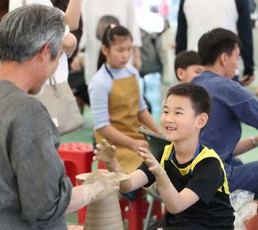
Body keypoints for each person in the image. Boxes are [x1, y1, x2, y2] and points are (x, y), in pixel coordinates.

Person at [0, 5, 119, 229]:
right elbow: (46, 205)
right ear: (44, 51)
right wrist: (94, 188)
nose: (56, 65)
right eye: (58, 56)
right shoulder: (27, 112)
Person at [95, 83, 235, 229]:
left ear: (200, 121)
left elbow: (177, 205)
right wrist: (112, 163)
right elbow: (127, 185)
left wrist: (160, 174)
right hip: (179, 224)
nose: (168, 119)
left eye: (178, 113)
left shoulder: (209, 164)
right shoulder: (165, 153)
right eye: (166, 111)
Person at [191, 28, 258, 197]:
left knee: (239, 162)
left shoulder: (194, 83)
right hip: (217, 179)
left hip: (189, 175)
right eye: (237, 57)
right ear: (224, 58)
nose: (237, 63)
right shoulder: (227, 88)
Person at [89, 25, 160, 175]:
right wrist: (133, 143)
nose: (126, 55)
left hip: (134, 135)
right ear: (105, 50)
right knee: (143, 170)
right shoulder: (99, 82)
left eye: (129, 49)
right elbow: (102, 127)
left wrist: (159, 135)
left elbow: (141, 111)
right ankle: (125, 195)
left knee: (165, 158)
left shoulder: (132, 72)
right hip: (111, 143)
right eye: (120, 50)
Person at [176, 0, 254, 86]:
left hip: (194, 68)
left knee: (194, 98)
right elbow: (245, 34)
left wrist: (179, 66)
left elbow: (181, 37)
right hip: (226, 66)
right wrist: (249, 69)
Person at [78, 0, 142, 84]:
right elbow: (86, 30)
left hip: (121, 55)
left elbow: (132, 25)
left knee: (123, 85)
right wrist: (78, 55)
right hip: (95, 54)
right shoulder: (88, 2)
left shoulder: (127, 2)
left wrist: (136, 56)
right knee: (98, 85)